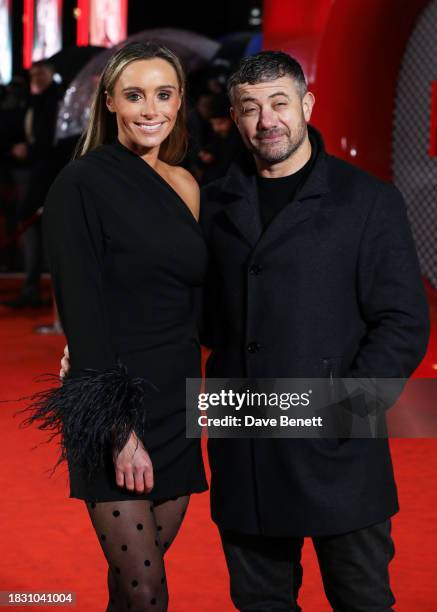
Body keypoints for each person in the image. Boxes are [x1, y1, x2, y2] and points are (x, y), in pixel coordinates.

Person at [199, 52, 430, 611]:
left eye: (279, 103)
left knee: (362, 600)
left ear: (306, 105)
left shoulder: (367, 200)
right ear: (233, 114)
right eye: (250, 108)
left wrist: (348, 411)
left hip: (338, 446)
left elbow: (403, 320)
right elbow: (195, 315)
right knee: (259, 603)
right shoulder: (210, 203)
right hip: (244, 433)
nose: (266, 121)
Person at [22, 42, 208, 612]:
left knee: (130, 589)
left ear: (179, 103)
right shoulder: (80, 184)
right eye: (134, 95)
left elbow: (193, 302)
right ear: (110, 103)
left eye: (163, 94)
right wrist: (119, 431)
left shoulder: (186, 184)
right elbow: (81, 312)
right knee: (147, 590)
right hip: (111, 401)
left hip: (179, 398)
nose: (150, 108)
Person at [4, 60, 62, 307]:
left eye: (41, 72)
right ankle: (33, 288)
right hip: (36, 173)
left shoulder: (53, 101)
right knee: (32, 228)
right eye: (33, 73)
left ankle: (39, 290)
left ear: (51, 74)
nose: (35, 76)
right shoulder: (35, 100)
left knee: (36, 226)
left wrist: (29, 149)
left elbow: (49, 141)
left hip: (47, 175)